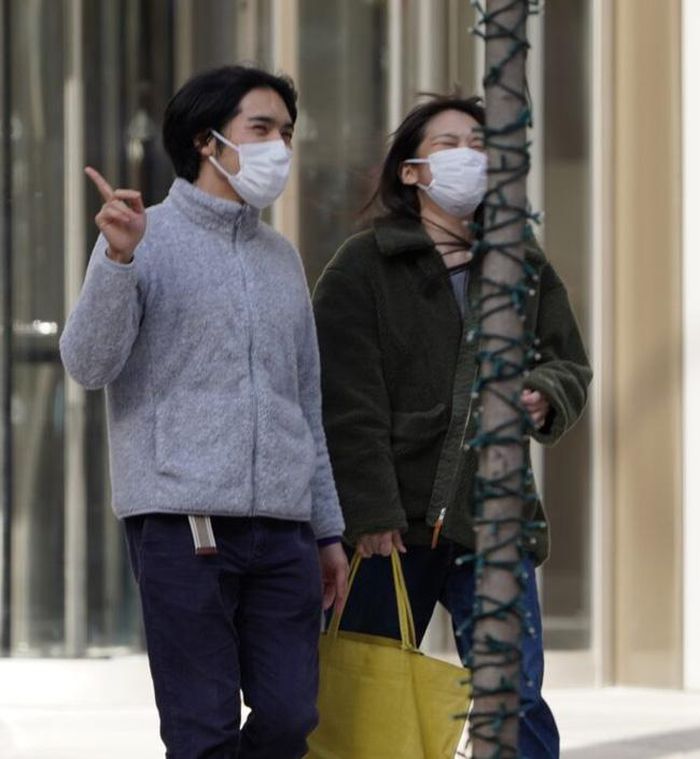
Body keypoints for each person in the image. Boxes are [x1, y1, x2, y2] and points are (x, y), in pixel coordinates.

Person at [60, 64, 348, 759]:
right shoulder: (141, 237)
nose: (280, 146)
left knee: (291, 716)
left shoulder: (282, 259)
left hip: (284, 530)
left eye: (287, 132)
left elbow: (306, 400)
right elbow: (87, 363)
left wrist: (327, 529)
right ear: (206, 140)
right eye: (262, 128)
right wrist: (118, 260)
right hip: (182, 524)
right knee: (202, 729)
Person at [312, 94, 592, 758]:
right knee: (367, 693)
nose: (470, 156)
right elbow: (344, 402)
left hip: (493, 519)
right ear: (410, 171)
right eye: (449, 144)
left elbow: (569, 362)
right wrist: (370, 510)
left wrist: (545, 393)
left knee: (513, 698)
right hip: (387, 529)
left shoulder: (521, 264)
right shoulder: (363, 265)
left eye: (481, 145)